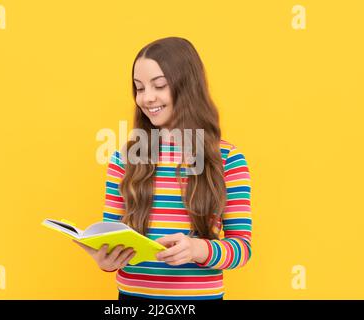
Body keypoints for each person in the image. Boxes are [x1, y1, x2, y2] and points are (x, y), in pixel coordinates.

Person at [75, 37, 252, 300]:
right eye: (139, 88)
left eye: (159, 85)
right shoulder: (123, 159)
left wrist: (197, 250)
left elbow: (242, 248)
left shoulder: (227, 158)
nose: (146, 98)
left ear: (187, 86)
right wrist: (106, 260)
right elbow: (111, 235)